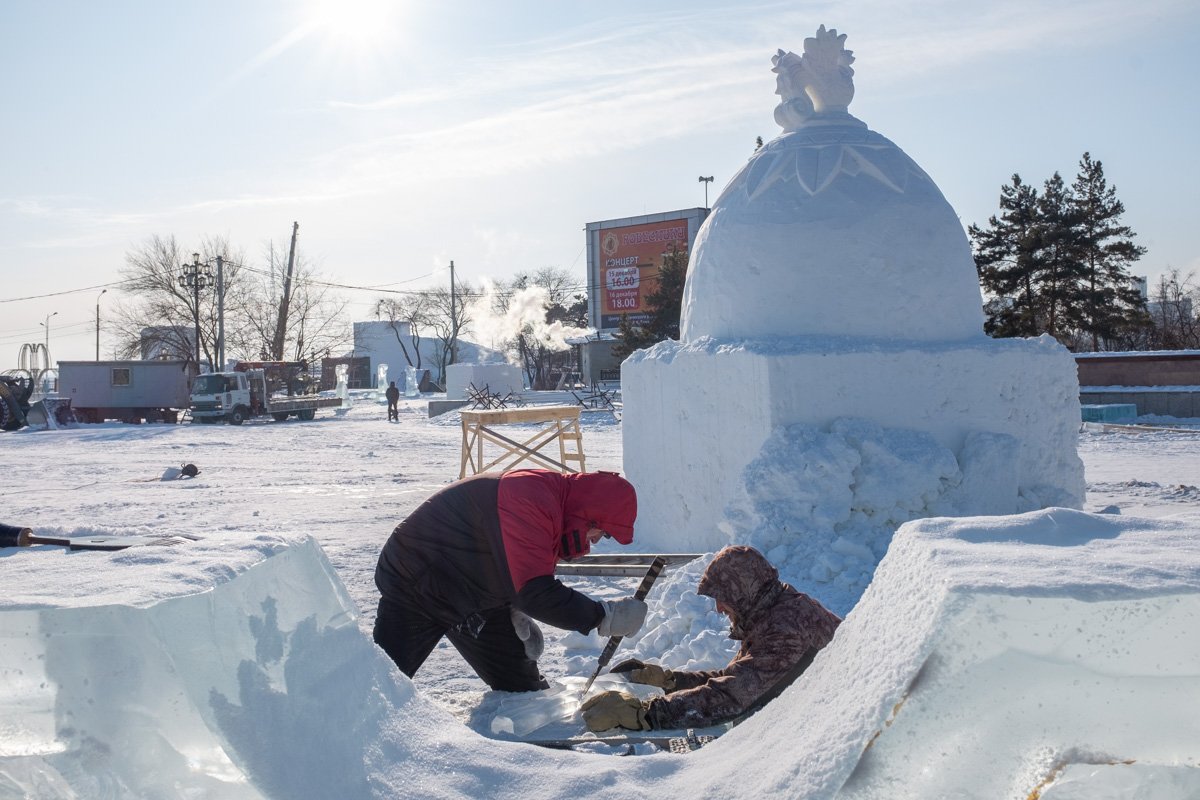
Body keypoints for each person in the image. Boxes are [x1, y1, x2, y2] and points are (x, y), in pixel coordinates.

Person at [373, 468, 647, 692]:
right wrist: (602, 617)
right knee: (377, 688)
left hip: (471, 593)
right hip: (417, 582)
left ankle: (513, 756)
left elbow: (509, 560)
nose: (598, 540)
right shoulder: (532, 499)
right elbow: (535, 592)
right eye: (603, 531)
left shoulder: (554, 504)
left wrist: (511, 606)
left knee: (520, 689)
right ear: (588, 514)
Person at [581, 545, 841, 732]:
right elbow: (736, 677)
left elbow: (734, 696)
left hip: (831, 733)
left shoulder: (786, 626)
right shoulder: (774, 610)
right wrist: (669, 680)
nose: (718, 608)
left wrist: (646, 714)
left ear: (742, 591)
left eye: (722, 597)